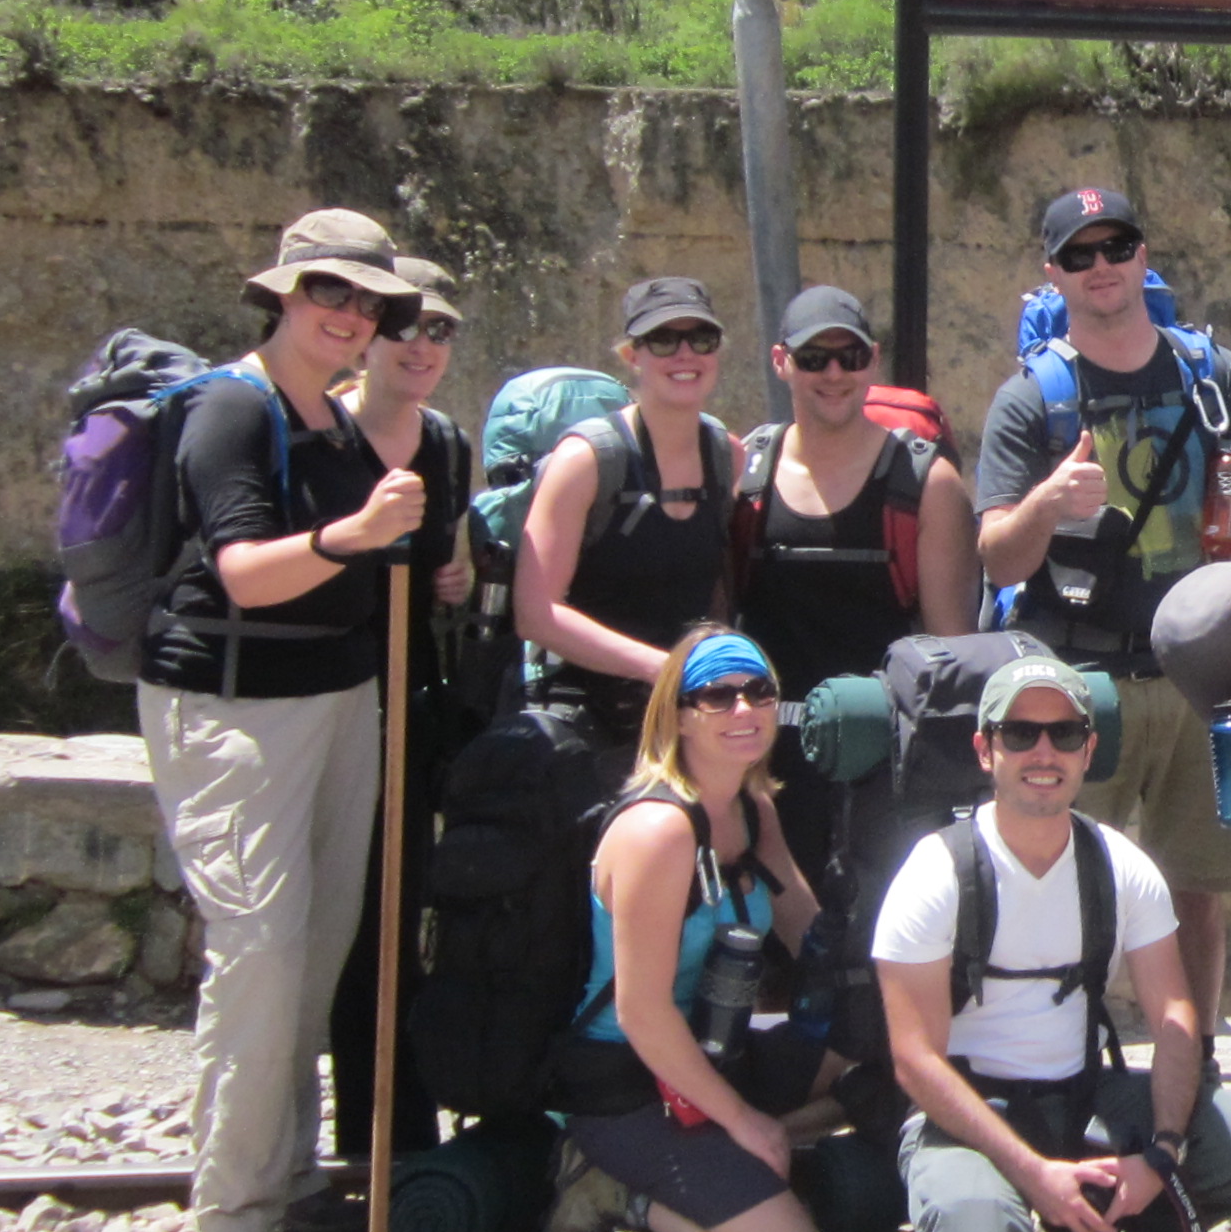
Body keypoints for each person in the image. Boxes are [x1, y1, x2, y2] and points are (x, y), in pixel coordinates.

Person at [134, 206, 431, 1232]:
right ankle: (231, 1212)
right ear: (285, 297)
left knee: (315, 949)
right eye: (329, 293)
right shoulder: (230, 407)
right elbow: (245, 573)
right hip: (233, 710)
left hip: (336, 699)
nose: (349, 315)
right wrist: (355, 536)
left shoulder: (333, 418)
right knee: (260, 953)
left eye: (367, 301)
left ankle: (286, 1175)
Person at [871, 656, 1231, 1232]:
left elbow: (1175, 1016)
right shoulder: (935, 874)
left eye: (1064, 734)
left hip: (1084, 1097)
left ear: (1089, 751)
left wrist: (1162, 1151)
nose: (1044, 752)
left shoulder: (1119, 865)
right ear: (985, 750)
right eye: (1021, 734)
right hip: (972, 1113)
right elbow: (914, 1060)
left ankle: (1106, 1221)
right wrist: (1031, 1173)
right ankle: (997, 1216)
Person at [972, 187, 1231, 1028]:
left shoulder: (1216, 378)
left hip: (1201, 681)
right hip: (1079, 684)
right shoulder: (1029, 399)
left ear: (1143, 256)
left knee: (1196, 893)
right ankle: (1061, 1062)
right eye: (1080, 254)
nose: (1100, 266)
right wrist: (1047, 503)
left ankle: (1195, 1058)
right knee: (1062, 889)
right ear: (1054, 272)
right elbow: (998, 555)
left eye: (1116, 247)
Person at [538, 629, 852, 1232]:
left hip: (715, 1054)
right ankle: (613, 1191)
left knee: (868, 1053)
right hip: (629, 1083)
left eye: (759, 692)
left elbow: (807, 931)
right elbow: (642, 1014)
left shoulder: (751, 806)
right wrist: (744, 1123)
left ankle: (743, 1169)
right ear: (678, 716)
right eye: (717, 696)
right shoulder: (659, 831)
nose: (744, 710)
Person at [726, 282, 979, 901]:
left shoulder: (928, 484)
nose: (834, 374)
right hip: (762, 765)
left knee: (877, 947)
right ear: (781, 361)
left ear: (873, 361)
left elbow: (949, 659)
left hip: (884, 774)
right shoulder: (744, 476)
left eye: (850, 356)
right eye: (815, 358)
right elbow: (713, 633)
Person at [323, 255, 475, 1175]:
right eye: (404, 328)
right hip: (327, 699)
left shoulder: (445, 444)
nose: (421, 347)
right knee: (350, 927)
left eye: (439, 331)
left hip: (410, 708)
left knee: (398, 921)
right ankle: (360, 1138)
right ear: (368, 338)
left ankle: (398, 1138)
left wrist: (454, 579)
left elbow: (443, 575)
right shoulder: (323, 434)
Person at [515, 274, 740, 747]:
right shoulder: (585, 461)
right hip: (590, 724)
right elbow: (536, 613)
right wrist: (662, 668)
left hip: (687, 720)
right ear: (631, 355)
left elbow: (718, 591)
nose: (685, 354)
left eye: (701, 339)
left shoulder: (727, 456)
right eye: (663, 339)